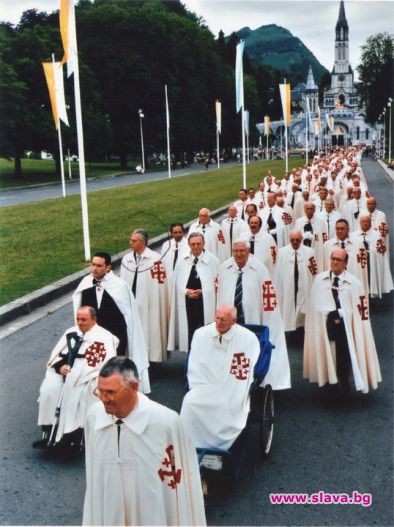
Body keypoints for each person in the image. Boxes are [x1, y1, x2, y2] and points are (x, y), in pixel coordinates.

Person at [83, 357, 206, 526]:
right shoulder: (93, 416)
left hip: (152, 514)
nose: (103, 399)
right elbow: (93, 474)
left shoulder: (166, 423)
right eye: (100, 391)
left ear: (133, 387)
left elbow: (183, 483)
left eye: (111, 392)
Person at [34, 306, 118, 448]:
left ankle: (71, 435)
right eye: (78, 319)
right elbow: (56, 357)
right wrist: (61, 367)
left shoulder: (103, 337)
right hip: (64, 373)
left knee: (77, 392)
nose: (80, 323)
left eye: (84, 319)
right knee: (49, 390)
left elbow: (99, 365)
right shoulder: (71, 332)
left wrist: (75, 375)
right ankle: (49, 431)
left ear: (94, 319)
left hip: (87, 378)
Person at [180, 305, 260, 450]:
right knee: (189, 402)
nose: (219, 322)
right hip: (205, 384)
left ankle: (219, 445)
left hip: (231, 387)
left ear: (234, 321)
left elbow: (242, 374)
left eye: (223, 320)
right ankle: (189, 445)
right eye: (217, 318)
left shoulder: (247, 339)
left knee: (227, 406)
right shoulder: (201, 334)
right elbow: (195, 364)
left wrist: (227, 386)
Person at [303, 248, 382, 394]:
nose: (334, 262)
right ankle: (329, 381)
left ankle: (344, 380)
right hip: (325, 326)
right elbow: (313, 305)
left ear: (345, 263)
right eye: (333, 258)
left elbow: (361, 311)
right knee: (328, 351)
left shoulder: (354, 283)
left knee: (344, 354)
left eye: (338, 260)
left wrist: (345, 315)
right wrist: (324, 314)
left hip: (346, 326)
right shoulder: (320, 280)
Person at [217, 238, 291, 390]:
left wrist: (268, 321)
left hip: (252, 322)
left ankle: (252, 384)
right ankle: (231, 383)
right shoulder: (225, 268)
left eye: (242, 251)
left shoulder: (259, 268)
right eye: (236, 251)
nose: (239, 254)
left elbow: (268, 296)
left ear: (248, 251)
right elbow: (220, 295)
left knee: (249, 353)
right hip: (231, 321)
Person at [73, 252, 150, 393]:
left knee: (114, 370)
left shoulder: (120, 286)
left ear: (108, 267)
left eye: (99, 266)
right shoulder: (85, 283)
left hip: (115, 336)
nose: (95, 268)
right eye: (93, 265)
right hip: (93, 336)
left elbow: (128, 315)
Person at [120, 229, 168, 363]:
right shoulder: (127, 259)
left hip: (150, 305)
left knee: (149, 332)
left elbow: (160, 284)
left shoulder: (155, 259)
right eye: (131, 240)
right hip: (131, 303)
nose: (131, 243)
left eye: (134, 241)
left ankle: (150, 361)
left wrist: (154, 302)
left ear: (143, 242)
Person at [168, 232, 220, 352]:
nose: (196, 247)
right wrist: (186, 291)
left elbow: (218, 284)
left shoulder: (213, 261)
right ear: (188, 244)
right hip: (187, 303)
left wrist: (204, 291)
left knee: (204, 331)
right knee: (189, 331)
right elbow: (176, 282)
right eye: (193, 244)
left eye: (198, 244)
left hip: (205, 304)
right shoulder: (182, 260)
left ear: (204, 244)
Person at [275, 230, 318, 332]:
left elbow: (313, 271)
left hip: (303, 284)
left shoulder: (309, 252)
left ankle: (301, 329)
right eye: (292, 240)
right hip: (288, 284)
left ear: (301, 240)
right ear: (289, 240)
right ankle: (288, 330)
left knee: (302, 306)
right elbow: (279, 272)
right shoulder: (282, 252)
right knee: (288, 306)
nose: (295, 242)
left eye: (297, 240)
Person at [350, 215, 393, 298]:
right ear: (359, 223)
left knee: (370, 277)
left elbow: (382, 250)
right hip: (359, 261)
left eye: (367, 222)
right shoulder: (353, 236)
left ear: (370, 223)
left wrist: (372, 252)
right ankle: (360, 293)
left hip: (372, 261)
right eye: (363, 221)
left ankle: (372, 293)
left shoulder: (377, 235)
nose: (365, 223)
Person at [160, 223, 188, 288]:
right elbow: (162, 262)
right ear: (171, 233)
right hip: (169, 278)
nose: (178, 234)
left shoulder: (188, 245)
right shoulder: (166, 245)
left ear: (183, 232)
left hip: (183, 278)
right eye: (175, 233)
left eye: (180, 232)